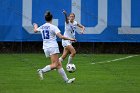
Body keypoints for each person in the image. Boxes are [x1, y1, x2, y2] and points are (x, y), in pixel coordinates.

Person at [33, 11, 76, 83]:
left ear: (45, 19)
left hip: (45, 48)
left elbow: (35, 30)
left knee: (58, 64)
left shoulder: (42, 26)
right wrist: (70, 39)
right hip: (52, 47)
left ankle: (67, 80)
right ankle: (41, 70)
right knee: (55, 64)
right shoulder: (53, 27)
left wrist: (35, 25)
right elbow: (61, 36)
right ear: (51, 19)